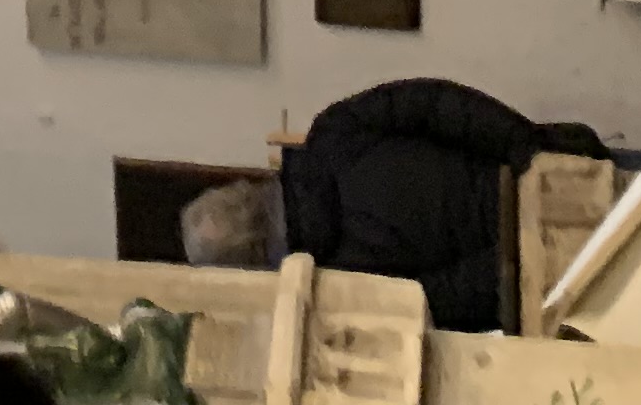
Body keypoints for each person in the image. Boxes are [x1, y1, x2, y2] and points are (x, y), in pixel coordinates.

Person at [180, 81, 611, 332]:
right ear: (242, 187)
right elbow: (438, 104)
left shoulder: (335, 293)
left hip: (560, 274)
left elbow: (446, 299)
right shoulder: (334, 132)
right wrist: (523, 152)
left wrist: (521, 249)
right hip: (560, 169)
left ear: (250, 267)